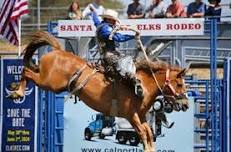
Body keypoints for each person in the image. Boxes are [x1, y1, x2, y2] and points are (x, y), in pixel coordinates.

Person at [90, 8, 143, 98]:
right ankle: (134, 81)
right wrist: (133, 36)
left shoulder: (100, 26)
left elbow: (95, 21)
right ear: (109, 19)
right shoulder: (106, 29)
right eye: (114, 20)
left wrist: (93, 13)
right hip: (110, 55)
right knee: (125, 65)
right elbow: (119, 38)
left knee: (125, 62)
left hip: (108, 54)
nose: (115, 22)